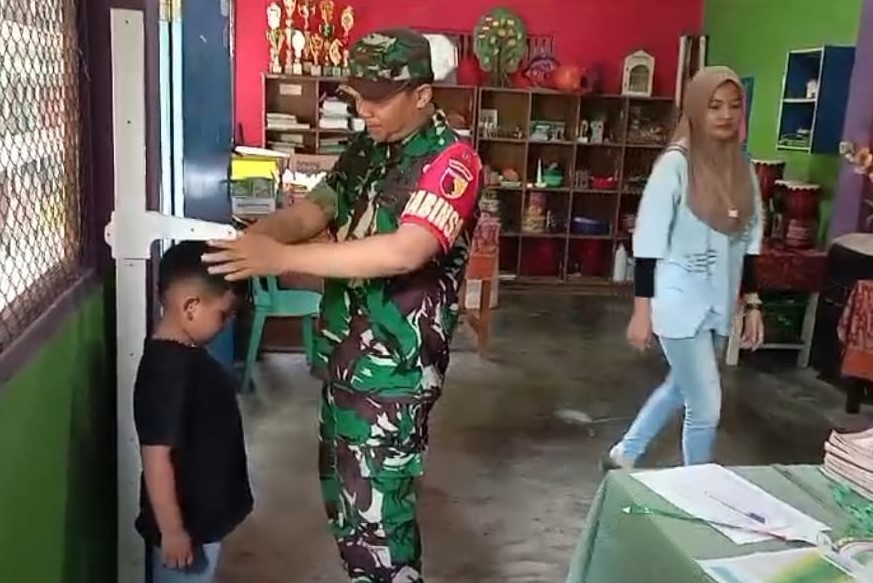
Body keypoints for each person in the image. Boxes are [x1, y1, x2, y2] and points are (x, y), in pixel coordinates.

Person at [202, 28, 483, 582]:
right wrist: (254, 240)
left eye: (378, 99)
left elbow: (405, 250)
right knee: (347, 509)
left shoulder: (452, 163)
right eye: (357, 97)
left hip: (393, 375)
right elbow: (314, 210)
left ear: (422, 95)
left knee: (381, 524)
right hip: (344, 360)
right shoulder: (368, 148)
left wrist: (281, 257)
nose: (364, 110)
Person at [605, 66, 765, 470]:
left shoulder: (742, 170)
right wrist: (642, 311)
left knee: (682, 385)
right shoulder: (675, 167)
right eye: (714, 106)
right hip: (677, 302)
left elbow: (750, 242)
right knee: (706, 404)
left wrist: (752, 303)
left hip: (719, 303)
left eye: (733, 106)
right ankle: (698, 485)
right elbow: (648, 243)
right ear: (695, 109)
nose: (725, 115)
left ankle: (625, 453)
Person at [134, 241, 253, 583]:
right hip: (188, 527)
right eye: (224, 314)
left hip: (203, 517)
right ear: (191, 307)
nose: (227, 324)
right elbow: (156, 456)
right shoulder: (165, 372)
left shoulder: (187, 355)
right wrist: (172, 531)